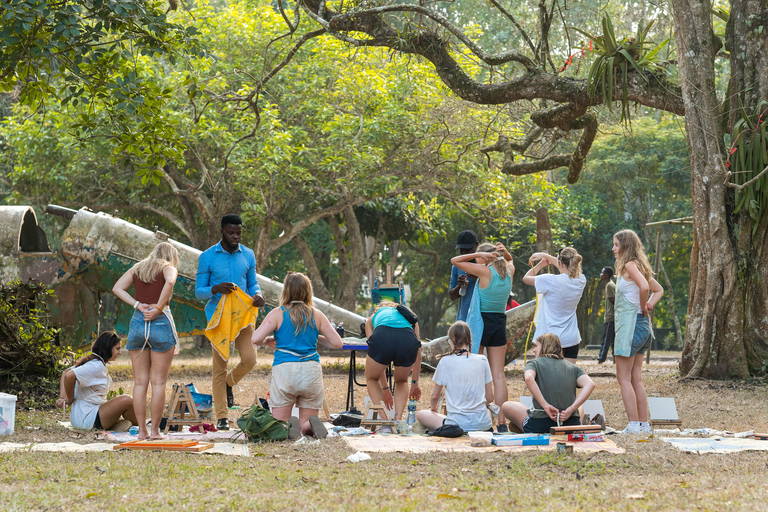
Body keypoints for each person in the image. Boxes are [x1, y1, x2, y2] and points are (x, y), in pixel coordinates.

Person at [251, 272, 342, 439]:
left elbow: (255, 339)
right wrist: (316, 337)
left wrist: (269, 340)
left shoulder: (277, 313)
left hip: (285, 371)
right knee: (306, 421)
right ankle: (309, 427)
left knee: (280, 423)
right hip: (311, 371)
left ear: (285, 291)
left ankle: (287, 428)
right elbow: (337, 343)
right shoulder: (317, 314)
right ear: (308, 291)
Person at [196, 214, 265, 431]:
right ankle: (222, 417)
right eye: (231, 232)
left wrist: (257, 294)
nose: (235, 237)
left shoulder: (248, 254)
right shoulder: (207, 256)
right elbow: (199, 292)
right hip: (219, 319)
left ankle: (228, 383)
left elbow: (253, 282)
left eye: (239, 233)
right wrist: (215, 289)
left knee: (250, 359)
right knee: (219, 367)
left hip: (243, 317)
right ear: (222, 232)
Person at [112, 242, 179, 439]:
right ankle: (156, 431)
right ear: (170, 256)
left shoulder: (138, 268)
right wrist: (158, 307)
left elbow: (117, 288)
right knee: (158, 383)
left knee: (140, 382)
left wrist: (137, 305)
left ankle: (142, 431)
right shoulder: (168, 267)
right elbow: (170, 282)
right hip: (160, 321)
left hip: (139, 321)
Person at [451, 242, 514, 432]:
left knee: (477, 372)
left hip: (480, 323)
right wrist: (502, 253)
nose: (475, 257)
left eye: (478, 255)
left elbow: (454, 261)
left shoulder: (485, 272)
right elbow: (510, 260)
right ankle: (502, 422)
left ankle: (479, 417)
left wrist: (484, 256)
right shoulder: (508, 271)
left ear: (485, 257)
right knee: (498, 375)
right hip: (499, 323)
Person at [612, 230, 664, 434]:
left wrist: (644, 305)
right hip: (642, 327)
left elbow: (644, 287)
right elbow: (657, 289)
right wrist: (649, 305)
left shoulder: (629, 265)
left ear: (625, 246)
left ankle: (633, 424)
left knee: (623, 378)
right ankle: (643, 425)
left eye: (616, 244)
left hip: (631, 326)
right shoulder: (640, 266)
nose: (613, 248)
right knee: (636, 378)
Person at [502, 333, 595, 434]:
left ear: (544, 346)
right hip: (570, 424)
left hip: (540, 424)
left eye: (536, 346)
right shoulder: (573, 367)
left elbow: (528, 378)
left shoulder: (534, 363)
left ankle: (522, 427)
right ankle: (578, 425)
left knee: (506, 405)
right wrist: (571, 409)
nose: (533, 350)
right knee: (580, 407)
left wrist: (545, 406)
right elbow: (590, 384)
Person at [415, 321, 493, 432]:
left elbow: (435, 396)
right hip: (482, 424)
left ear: (451, 341)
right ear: (469, 340)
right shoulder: (482, 360)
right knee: (488, 411)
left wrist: (433, 410)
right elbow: (490, 398)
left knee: (422, 414)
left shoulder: (445, 361)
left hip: (456, 425)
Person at [56, 332, 138, 431]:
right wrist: (69, 399)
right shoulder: (96, 366)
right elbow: (69, 376)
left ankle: (131, 425)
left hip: (83, 417)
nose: (120, 352)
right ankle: (141, 427)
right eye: (117, 349)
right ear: (108, 348)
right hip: (87, 418)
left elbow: (66, 372)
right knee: (127, 400)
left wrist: (62, 397)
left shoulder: (94, 362)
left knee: (125, 401)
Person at [522, 247, 586, 363]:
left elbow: (526, 278)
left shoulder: (549, 280)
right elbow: (568, 267)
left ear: (560, 263)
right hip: (571, 339)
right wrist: (547, 257)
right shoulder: (581, 280)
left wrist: (541, 264)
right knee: (567, 378)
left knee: (546, 378)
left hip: (549, 340)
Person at [364, 301, 422, 423]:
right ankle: (398, 419)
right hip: (407, 338)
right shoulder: (410, 317)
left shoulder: (371, 319)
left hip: (382, 336)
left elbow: (377, 355)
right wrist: (415, 383)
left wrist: (385, 388)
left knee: (372, 378)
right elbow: (418, 352)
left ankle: (385, 422)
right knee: (401, 381)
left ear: (378, 309)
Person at [448, 230, 479, 321]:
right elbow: (452, 296)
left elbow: (491, 288)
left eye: (468, 249)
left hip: (483, 318)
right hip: (464, 319)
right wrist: (459, 286)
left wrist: (475, 276)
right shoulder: (456, 266)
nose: (464, 252)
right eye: (462, 250)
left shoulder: (485, 264)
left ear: (476, 245)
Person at [597, 266, 616, 364]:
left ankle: (601, 358)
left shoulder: (609, 285)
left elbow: (613, 300)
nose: (601, 274)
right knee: (612, 340)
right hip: (612, 317)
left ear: (607, 275)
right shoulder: (610, 284)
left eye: (602, 272)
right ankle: (615, 359)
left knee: (606, 340)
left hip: (610, 317)